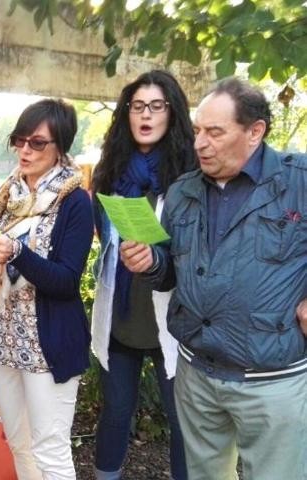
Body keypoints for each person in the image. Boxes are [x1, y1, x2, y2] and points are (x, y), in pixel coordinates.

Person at [120, 77, 307, 480]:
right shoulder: (183, 191)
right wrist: (149, 261)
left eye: (215, 132)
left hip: (270, 380)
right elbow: (169, 272)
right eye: (198, 130)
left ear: (255, 132)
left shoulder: (299, 181)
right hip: (197, 374)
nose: (199, 143)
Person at [0, 98, 93, 480]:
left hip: (47, 344)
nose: (24, 150)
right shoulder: (7, 196)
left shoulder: (74, 201)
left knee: (50, 450)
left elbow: (67, 281)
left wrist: (17, 251)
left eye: (37, 143)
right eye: (19, 140)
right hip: (4, 339)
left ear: (60, 148)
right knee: (18, 442)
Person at [90, 70, 196, 480]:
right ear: (126, 114)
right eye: (138, 106)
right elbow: (105, 240)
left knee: (181, 421)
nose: (146, 115)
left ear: (172, 113)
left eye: (156, 106)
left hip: (173, 322)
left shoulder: (188, 179)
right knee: (115, 413)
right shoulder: (110, 174)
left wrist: (158, 256)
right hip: (122, 320)